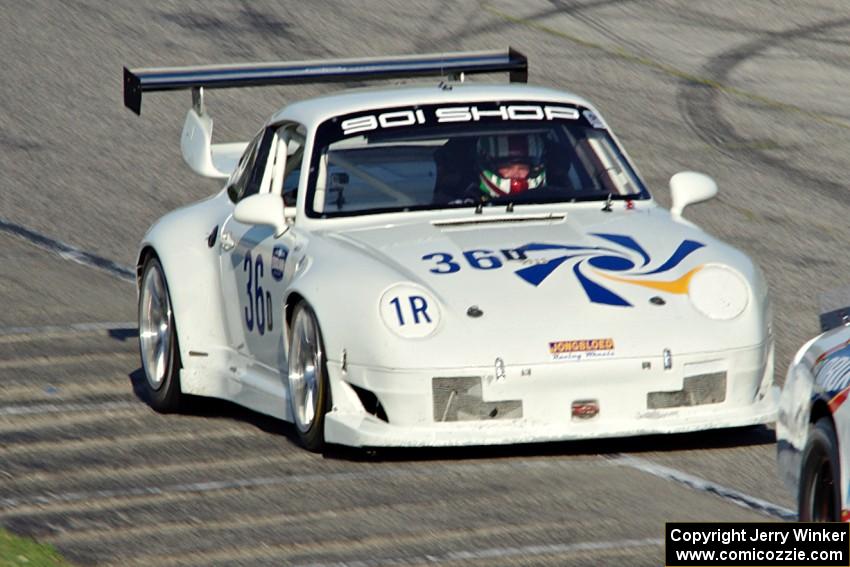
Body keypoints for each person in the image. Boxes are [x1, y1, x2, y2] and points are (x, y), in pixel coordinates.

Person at [476, 133, 547, 199]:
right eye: (507, 167)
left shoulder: (551, 199)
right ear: (490, 168)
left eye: (523, 168)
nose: (515, 174)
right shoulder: (470, 201)